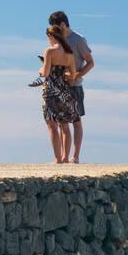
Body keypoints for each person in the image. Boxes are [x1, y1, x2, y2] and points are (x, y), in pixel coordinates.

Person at [48, 11, 94, 163]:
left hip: (75, 86)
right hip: (60, 86)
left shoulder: (78, 39)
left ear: (62, 24)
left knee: (76, 120)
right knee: (62, 122)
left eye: (54, 26)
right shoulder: (58, 40)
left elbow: (90, 62)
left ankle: (76, 156)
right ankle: (63, 156)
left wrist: (77, 75)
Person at [40, 25, 79, 163]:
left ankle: (57, 158)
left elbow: (45, 73)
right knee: (65, 124)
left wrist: (41, 69)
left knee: (51, 125)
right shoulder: (69, 54)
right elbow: (73, 76)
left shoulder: (49, 51)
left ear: (51, 36)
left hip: (50, 89)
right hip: (64, 90)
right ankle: (65, 158)